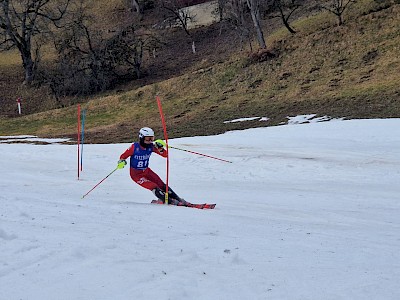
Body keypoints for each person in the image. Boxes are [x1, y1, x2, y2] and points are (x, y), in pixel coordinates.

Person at [117, 127, 189, 206]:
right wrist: (121, 161)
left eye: (152, 139)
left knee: (161, 184)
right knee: (153, 186)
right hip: (136, 175)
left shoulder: (151, 146)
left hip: (147, 171)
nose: (150, 141)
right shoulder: (134, 147)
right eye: (148, 139)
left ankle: (178, 199)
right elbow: (123, 156)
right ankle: (169, 201)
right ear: (141, 138)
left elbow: (165, 155)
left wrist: (160, 148)